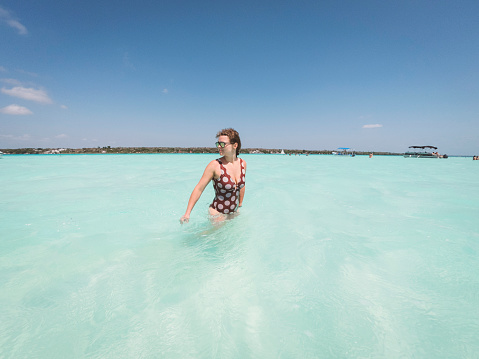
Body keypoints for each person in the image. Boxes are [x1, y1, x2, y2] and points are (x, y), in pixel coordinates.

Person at [180, 128, 247, 224]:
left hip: (233, 212)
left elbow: (242, 185)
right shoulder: (215, 165)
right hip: (217, 213)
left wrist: (240, 204)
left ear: (235, 145)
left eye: (223, 144)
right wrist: (187, 213)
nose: (219, 146)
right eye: (218, 143)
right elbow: (199, 188)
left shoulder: (243, 163)